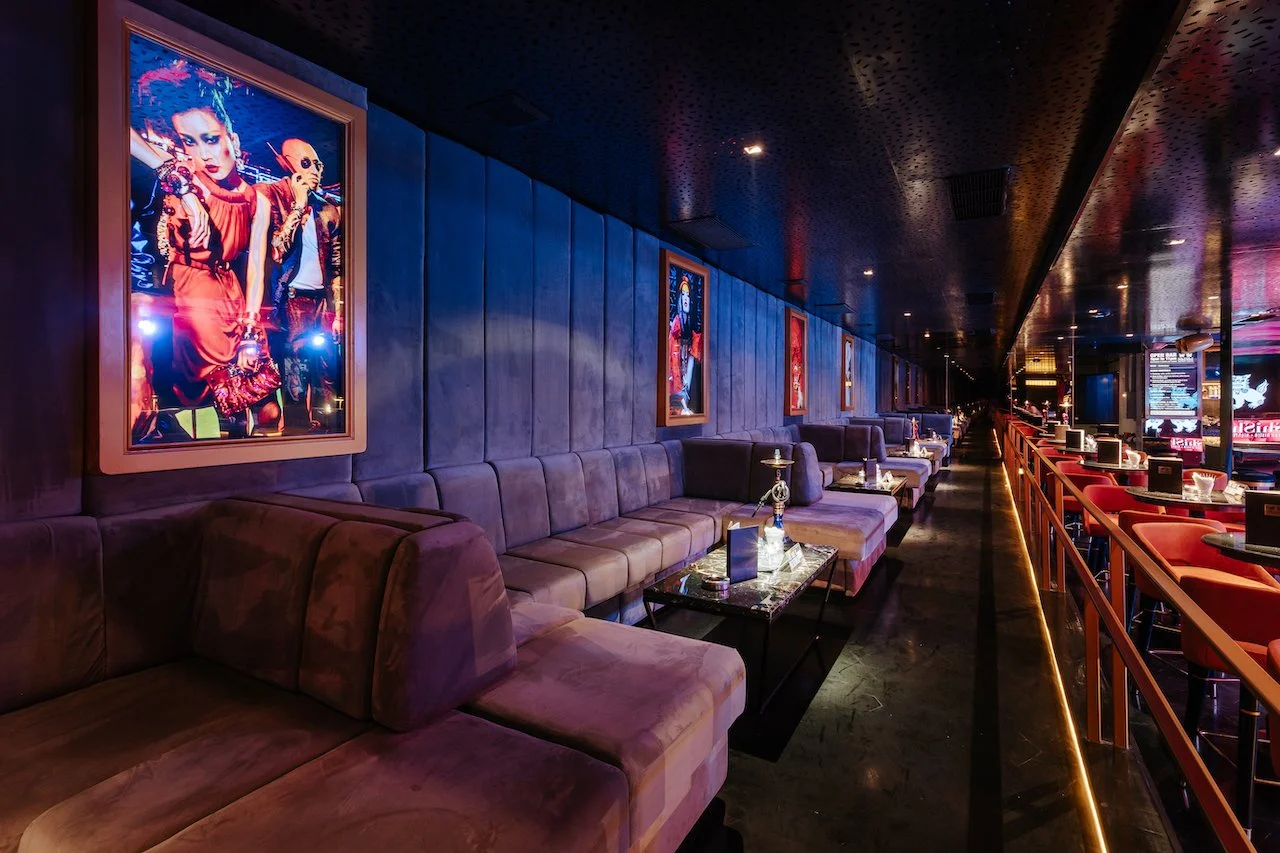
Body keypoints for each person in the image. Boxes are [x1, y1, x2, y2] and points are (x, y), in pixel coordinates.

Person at [130, 60, 281, 436]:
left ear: (233, 138)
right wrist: (179, 182)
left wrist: (251, 326)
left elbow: (256, 266)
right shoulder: (184, 178)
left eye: (211, 139)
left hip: (235, 296)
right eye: (190, 142)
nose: (204, 154)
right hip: (191, 292)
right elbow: (121, 131)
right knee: (203, 400)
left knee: (264, 405)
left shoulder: (257, 197)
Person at [247, 138, 343, 429]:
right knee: (296, 367)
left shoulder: (327, 210)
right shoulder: (269, 194)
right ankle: (297, 428)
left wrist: (339, 312)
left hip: (321, 300)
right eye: (306, 163)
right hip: (291, 299)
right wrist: (298, 206)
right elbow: (276, 251)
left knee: (327, 367)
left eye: (318, 165)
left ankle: (327, 426)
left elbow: (337, 266)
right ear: (286, 163)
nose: (315, 170)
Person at [668, 276, 702, 416]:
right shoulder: (674, 330)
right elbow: (673, 365)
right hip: (675, 382)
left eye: (688, 295)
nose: (686, 298)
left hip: (686, 378)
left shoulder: (693, 333)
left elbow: (692, 357)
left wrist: (687, 379)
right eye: (683, 294)